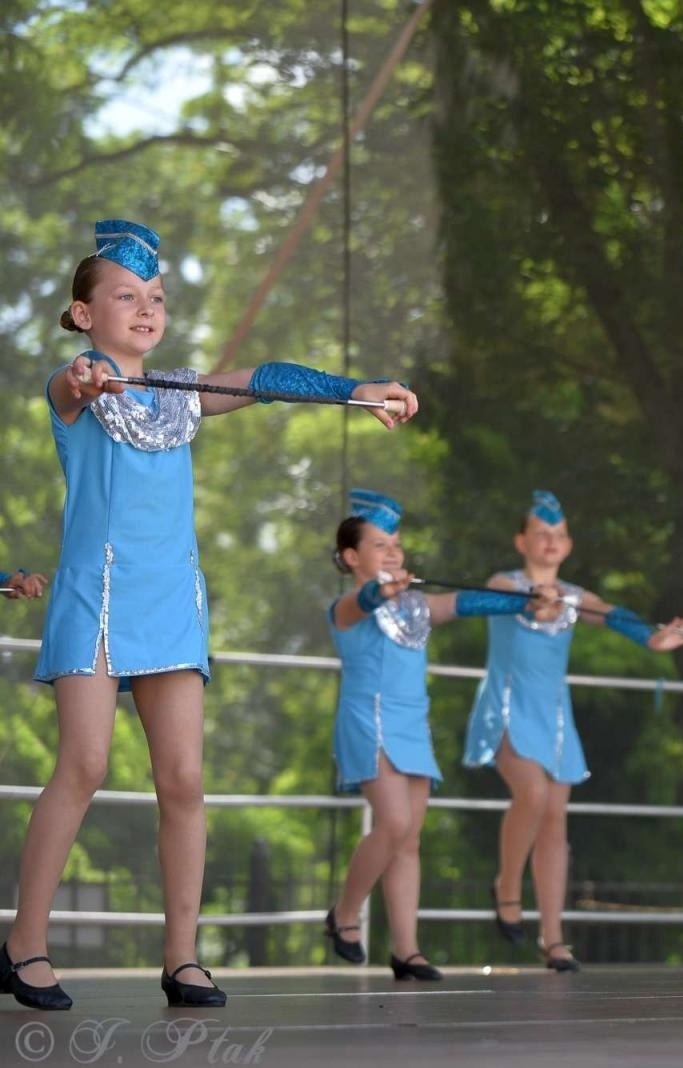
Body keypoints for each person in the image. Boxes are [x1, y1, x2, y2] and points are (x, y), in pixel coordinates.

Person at [2, 220, 417, 1011]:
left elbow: (264, 378)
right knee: (84, 765)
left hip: (171, 603)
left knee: (185, 780)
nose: (145, 307)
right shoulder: (78, 386)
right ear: (85, 313)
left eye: (155, 297)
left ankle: (183, 956)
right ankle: (24, 942)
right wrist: (88, 378)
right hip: (98, 595)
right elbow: (71, 383)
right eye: (125, 296)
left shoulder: (181, 395)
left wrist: (355, 391)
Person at [323, 490, 557, 981]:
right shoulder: (347, 605)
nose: (393, 553)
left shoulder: (416, 607)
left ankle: (407, 951)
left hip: (413, 723)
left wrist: (523, 600)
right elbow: (362, 601)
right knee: (392, 824)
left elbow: (467, 603)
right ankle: (345, 914)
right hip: (372, 719)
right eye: (381, 545)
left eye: (397, 546)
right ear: (351, 557)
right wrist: (378, 592)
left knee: (409, 839)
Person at [462, 491, 683, 971]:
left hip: (554, 715)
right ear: (521, 541)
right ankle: (507, 885)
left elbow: (611, 614)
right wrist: (530, 604)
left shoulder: (574, 596)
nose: (551, 542)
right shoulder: (504, 583)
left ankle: (553, 939)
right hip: (509, 705)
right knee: (529, 794)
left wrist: (652, 637)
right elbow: (494, 603)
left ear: (568, 545)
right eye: (541, 534)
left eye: (560, 535)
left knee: (555, 821)